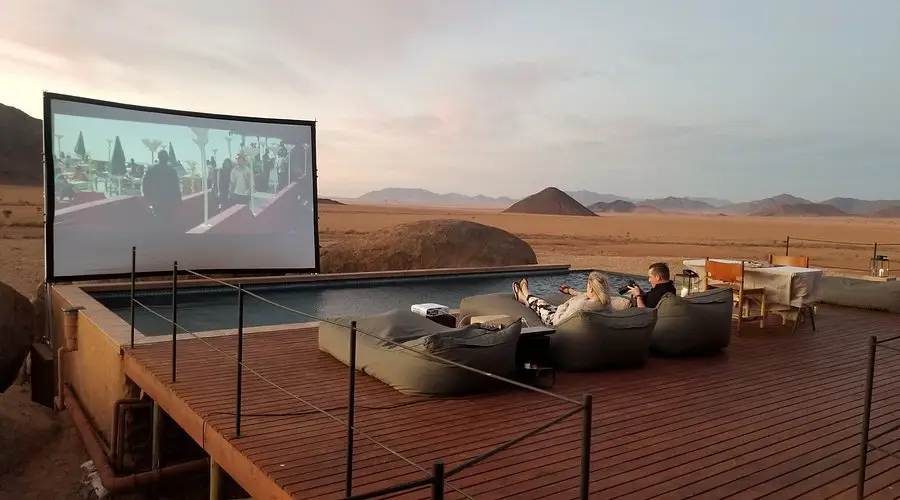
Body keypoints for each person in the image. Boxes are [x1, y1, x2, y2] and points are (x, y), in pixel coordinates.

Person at [512, 271, 614, 328]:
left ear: (591, 289)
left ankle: (525, 295)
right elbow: (584, 295)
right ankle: (526, 298)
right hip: (567, 315)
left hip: (555, 320)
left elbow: (559, 322)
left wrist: (561, 308)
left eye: (587, 286)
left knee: (541, 305)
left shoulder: (581, 306)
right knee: (546, 305)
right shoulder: (606, 303)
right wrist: (571, 291)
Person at [141, 149, 182, 227]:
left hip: (156, 200)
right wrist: (178, 199)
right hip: (169, 201)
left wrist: (148, 197)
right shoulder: (172, 171)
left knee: (157, 221)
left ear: (159, 158)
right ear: (166, 159)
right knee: (168, 222)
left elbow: (145, 184)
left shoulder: (151, 169)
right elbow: (176, 187)